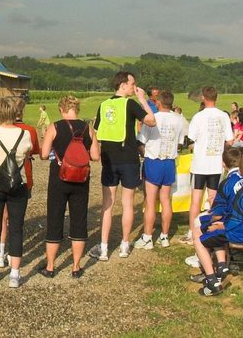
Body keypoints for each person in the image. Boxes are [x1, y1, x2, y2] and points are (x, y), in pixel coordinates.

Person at [95, 71, 159, 260]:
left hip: (109, 159)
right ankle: (124, 244)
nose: (134, 87)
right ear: (123, 85)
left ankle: (103, 247)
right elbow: (151, 121)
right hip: (129, 159)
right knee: (127, 203)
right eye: (132, 84)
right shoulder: (130, 104)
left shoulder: (104, 105)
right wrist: (143, 99)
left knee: (107, 204)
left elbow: (98, 128)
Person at [191, 151, 243, 296]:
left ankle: (212, 282)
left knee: (199, 238)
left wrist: (221, 225)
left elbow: (234, 219)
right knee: (214, 229)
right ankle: (221, 267)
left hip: (242, 234)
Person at [42, 95, 99, 278]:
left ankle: (50, 266)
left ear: (61, 109)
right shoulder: (87, 128)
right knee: (79, 221)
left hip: (59, 177)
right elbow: (96, 156)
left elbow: (44, 154)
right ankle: (75, 267)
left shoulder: (55, 127)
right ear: (77, 109)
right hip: (81, 178)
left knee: (54, 219)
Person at [0, 96, 34, 287]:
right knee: (17, 228)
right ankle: (15, 274)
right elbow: (27, 155)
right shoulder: (24, 134)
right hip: (18, 184)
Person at [135, 90, 187, 249]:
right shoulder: (179, 119)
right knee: (166, 200)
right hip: (169, 161)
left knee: (150, 202)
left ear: (158, 102)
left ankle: (147, 237)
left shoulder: (153, 118)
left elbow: (141, 141)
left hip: (154, 160)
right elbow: (180, 143)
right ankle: (164, 236)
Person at [186, 86, 233, 242]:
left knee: (196, 199)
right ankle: (211, 229)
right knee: (213, 198)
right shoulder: (223, 116)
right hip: (216, 163)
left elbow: (191, 137)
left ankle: (192, 231)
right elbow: (230, 140)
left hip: (200, 163)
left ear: (203, 98)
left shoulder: (198, 117)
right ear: (216, 98)